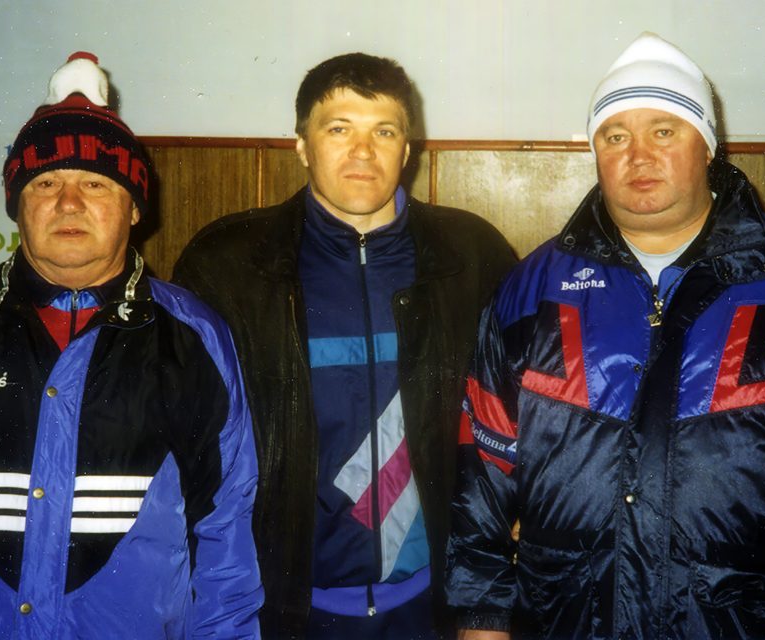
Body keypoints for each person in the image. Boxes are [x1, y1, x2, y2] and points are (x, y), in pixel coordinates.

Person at [447, 32, 765, 639]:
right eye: (615, 136)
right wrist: (481, 618)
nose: (638, 156)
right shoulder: (530, 293)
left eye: (664, 131)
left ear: (708, 146)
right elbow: (482, 476)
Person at [0, 52, 262, 639]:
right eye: (45, 183)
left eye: (95, 183)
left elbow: (226, 538)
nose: (69, 203)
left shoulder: (196, 339)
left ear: (134, 207)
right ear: (17, 205)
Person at [172, 52, 515, 639]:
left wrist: (487, 608)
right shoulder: (227, 265)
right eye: (339, 129)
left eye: (384, 131)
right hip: (282, 612)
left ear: (408, 149)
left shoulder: (472, 255)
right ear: (301, 145)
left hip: (432, 608)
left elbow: (510, 430)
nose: (363, 152)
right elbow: (191, 453)